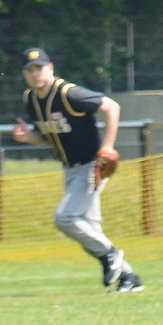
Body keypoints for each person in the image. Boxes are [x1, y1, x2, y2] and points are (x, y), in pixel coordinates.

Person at [12, 48, 144, 293]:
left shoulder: (69, 93)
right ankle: (130, 278)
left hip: (91, 166)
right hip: (69, 170)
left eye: (39, 68)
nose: (35, 73)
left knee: (65, 218)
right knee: (91, 232)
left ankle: (112, 254)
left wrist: (107, 147)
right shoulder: (31, 99)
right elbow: (49, 134)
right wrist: (29, 137)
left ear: (50, 68)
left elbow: (111, 107)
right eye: (29, 70)